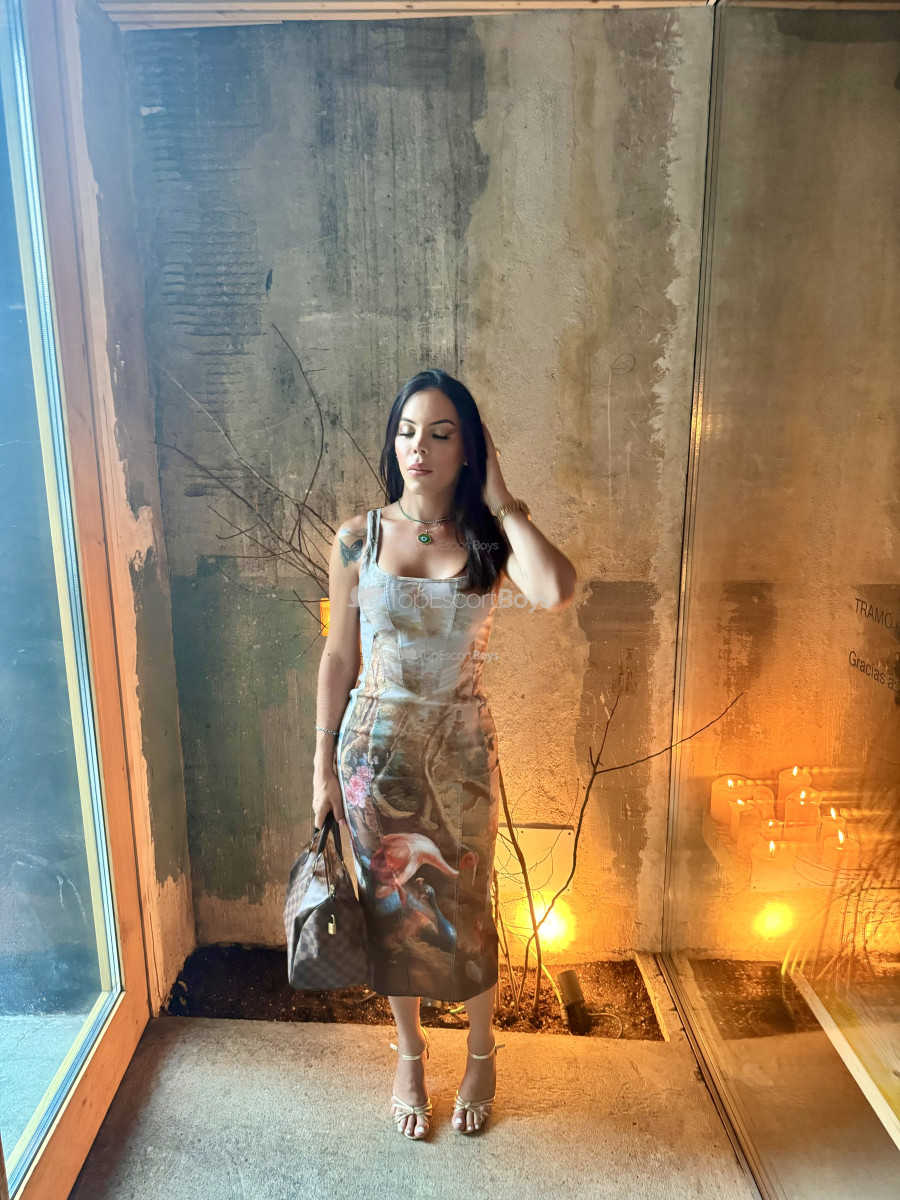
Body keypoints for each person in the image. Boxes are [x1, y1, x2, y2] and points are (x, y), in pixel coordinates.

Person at [312, 368, 576, 1139]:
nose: (417, 447)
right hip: (373, 756)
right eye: (406, 431)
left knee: (470, 912)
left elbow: (555, 590)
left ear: (468, 449)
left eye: (439, 432)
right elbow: (338, 657)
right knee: (392, 912)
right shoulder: (357, 538)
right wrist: (320, 766)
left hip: (461, 758)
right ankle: (409, 1054)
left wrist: (502, 497)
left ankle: (482, 1052)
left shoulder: (488, 539)